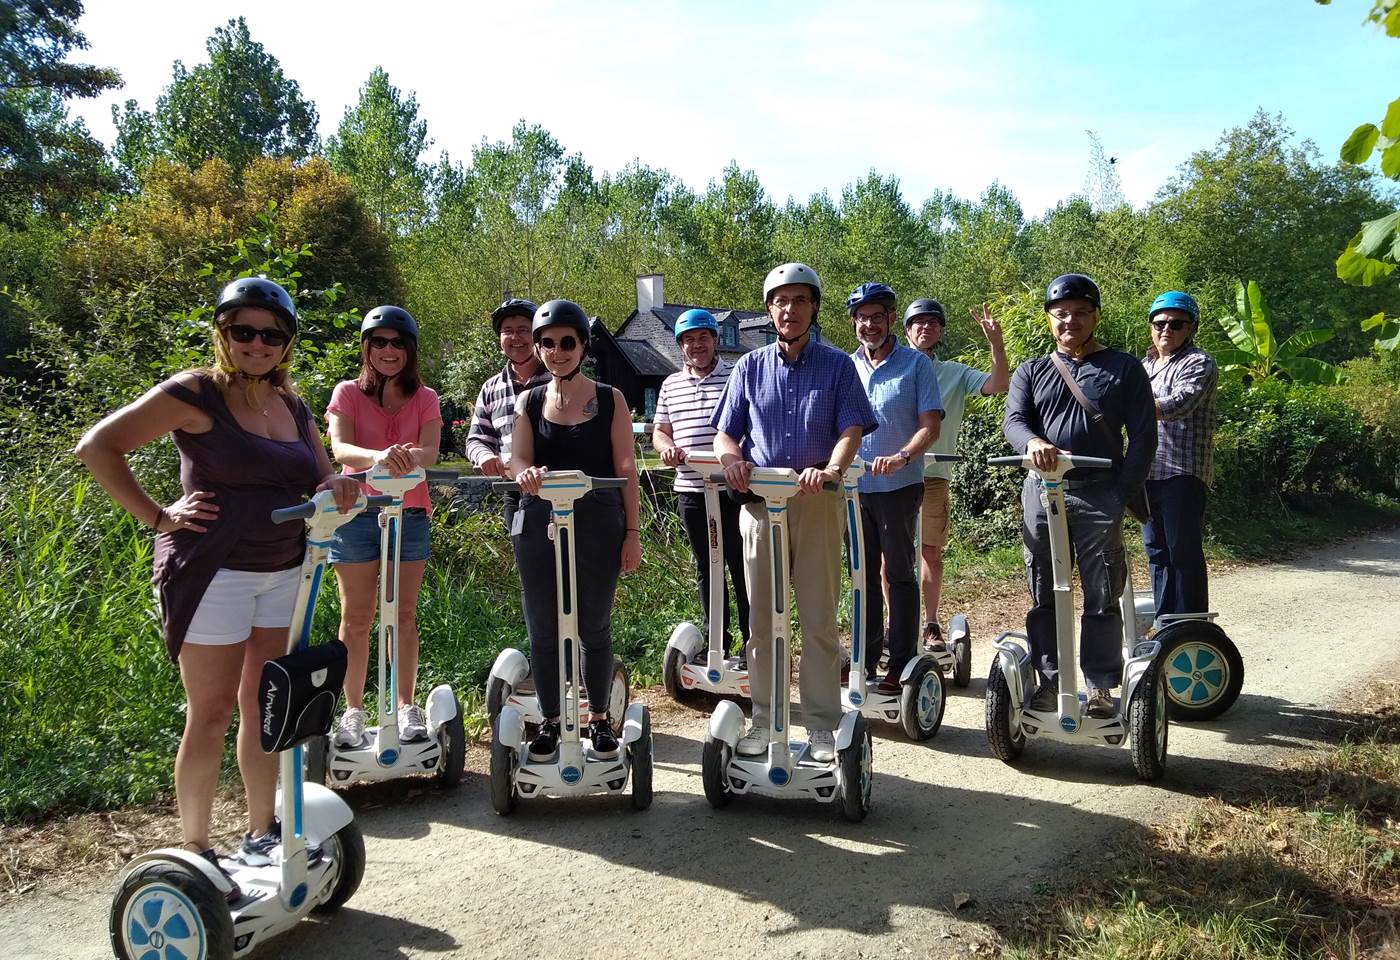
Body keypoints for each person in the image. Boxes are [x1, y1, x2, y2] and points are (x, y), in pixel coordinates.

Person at [75, 278, 359, 897]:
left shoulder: (291, 404)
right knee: (210, 714)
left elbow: (320, 475)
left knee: (264, 706)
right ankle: (198, 848)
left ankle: (260, 831)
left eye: (272, 334)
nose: (258, 344)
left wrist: (336, 487)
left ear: (287, 343)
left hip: (282, 570)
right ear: (223, 333)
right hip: (214, 573)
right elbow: (98, 447)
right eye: (244, 331)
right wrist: (159, 516)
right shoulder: (195, 392)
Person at [713, 263, 877, 762]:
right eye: (781, 301)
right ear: (769, 310)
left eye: (800, 300)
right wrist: (731, 461)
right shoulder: (749, 366)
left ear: (814, 307)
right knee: (762, 621)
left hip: (816, 501)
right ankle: (765, 718)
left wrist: (831, 469)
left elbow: (851, 430)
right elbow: (726, 432)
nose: (790, 309)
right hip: (761, 506)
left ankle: (822, 725)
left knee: (818, 618)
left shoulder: (838, 366)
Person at [1003, 274, 1156, 719]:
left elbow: (1143, 437)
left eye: (1080, 312)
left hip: (1099, 494)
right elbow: (1014, 421)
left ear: (1096, 317)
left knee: (1101, 592)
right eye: (1061, 313)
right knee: (1044, 591)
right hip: (1042, 493)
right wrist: (1032, 442)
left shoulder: (1124, 368)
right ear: (1050, 319)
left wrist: (1122, 493)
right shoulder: (1032, 370)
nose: (1070, 320)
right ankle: (1050, 682)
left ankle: (1101, 685)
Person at [510, 299, 642, 762]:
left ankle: (599, 718)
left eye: (567, 342)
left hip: (598, 523)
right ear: (538, 348)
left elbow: (626, 468)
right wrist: (525, 473)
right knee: (543, 627)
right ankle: (549, 720)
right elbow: (518, 458)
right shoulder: (528, 401)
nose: (557, 351)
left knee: (593, 625)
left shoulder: (610, 399)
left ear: (583, 346)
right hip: (539, 523)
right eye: (547, 343)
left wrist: (632, 532)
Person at [326, 306, 442, 747]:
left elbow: (430, 451)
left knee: (403, 614)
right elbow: (341, 448)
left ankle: (406, 705)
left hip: (409, 513)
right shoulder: (347, 393)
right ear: (366, 348)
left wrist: (405, 456)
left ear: (409, 349)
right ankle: (353, 710)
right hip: (356, 513)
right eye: (379, 342)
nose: (388, 351)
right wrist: (380, 456)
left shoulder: (425, 397)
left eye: (397, 343)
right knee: (356, 616)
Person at [846, 282, 942, 692]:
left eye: (876, 317)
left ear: (890, 319)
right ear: (854, 323)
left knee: (899, 573)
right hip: (854, 487)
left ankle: (901, 662)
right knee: (861, 574)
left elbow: (930, 427)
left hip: (899, 485)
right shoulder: (846, 366)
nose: (869, 325)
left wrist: (903, 456)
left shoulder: (915, 365)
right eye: (861, 318)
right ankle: (865, 659)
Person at [904, 297, 1009, 650]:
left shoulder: (954, 372)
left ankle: (931, 623)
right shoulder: (892, 367)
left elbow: (998, 384)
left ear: (941, 332)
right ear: (907, 330)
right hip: (892, 474)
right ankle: (897, 626)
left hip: (934, 473)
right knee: (891, 556)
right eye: (919, 322)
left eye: (933, 322)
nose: (926, 327)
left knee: (930, 551)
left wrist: (996, 345)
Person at [652, 308, 750, 663]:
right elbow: (660, 431)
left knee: (741, 565)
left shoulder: (736, 375)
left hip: (733, 488)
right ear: (681, 345)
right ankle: (716, 643)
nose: (696, 345)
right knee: (707, 567)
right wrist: (667, 448)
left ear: (715, 340)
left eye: (703, 338)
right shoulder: (670, 385)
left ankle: (752, 642)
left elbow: (749, 424)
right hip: (691, 489)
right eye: (689, 340)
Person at [1140, 291, 1217, 617]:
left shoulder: (1199, 362)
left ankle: (1191, 625)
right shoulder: (1144, 365)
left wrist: (1128, 407)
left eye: (1176, 324)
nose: (1166, 330)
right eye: (1160, 323)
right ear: (1151, 326)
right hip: (1146, 473)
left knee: (1182, 551)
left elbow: (1179, 404)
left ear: (1191, 328)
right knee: (1157, 552)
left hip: (1183, 473)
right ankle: (1166, 623)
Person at [466, 298, 551, 527]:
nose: (515, 338)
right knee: (521, 548)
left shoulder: (556, 379)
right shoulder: (491, 388)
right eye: (507, 331)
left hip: (556, 485)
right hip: (513, 490)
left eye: (523, 330)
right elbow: (476, 439)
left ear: (536, 335)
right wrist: (484, 456)